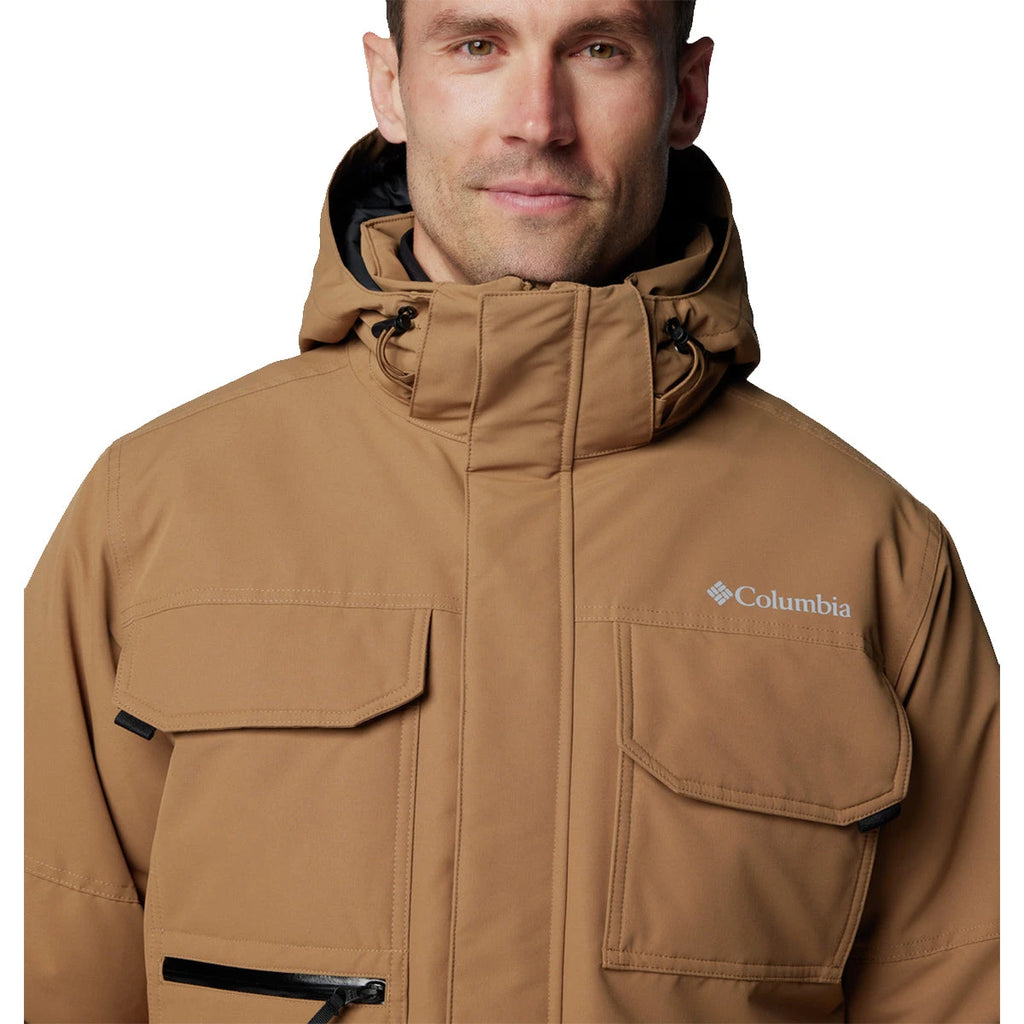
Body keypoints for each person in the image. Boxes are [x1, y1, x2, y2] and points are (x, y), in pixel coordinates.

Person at [24, 0, 999, 1021]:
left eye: (600, 49)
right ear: (391, 84)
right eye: (478, 45)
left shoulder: (873, 553)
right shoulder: (153, 514)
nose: (539, 120)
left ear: (686, 92)